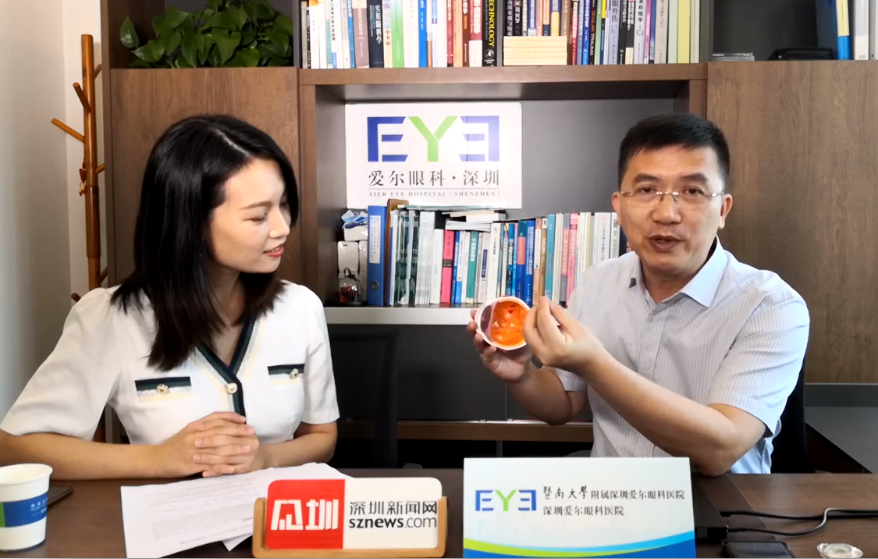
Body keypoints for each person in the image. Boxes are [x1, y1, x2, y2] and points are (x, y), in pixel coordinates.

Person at [0, 115, 340, 480]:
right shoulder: (110, 318)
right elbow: (15, 448)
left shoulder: (300, 308)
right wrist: (160, 458)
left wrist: (266, 457)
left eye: (284, 204)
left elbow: (322, 436)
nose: (283, 227)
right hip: (167, 515)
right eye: (258, 216)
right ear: (191, 221)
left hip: (274, 514)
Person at [468, 113, 810, 476]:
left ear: (723, 209)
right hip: (613, 498)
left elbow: (720, 449)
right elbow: (564, 403)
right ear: (618, 206)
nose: (666, 214)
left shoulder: (770, 306)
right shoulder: (598, 283)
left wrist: (594, 363)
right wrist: (522, 376)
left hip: (719, 506)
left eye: (692, 192)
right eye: (647, 190)